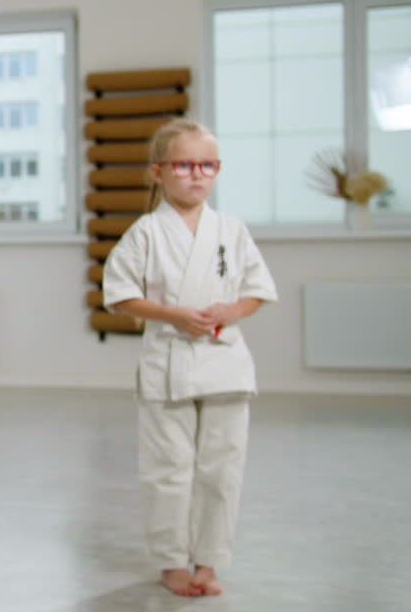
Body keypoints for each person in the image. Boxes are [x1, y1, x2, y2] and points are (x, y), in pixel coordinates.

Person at [103, 119, 278, 596]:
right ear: (158, 172)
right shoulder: (145, 232)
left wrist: (232, 310)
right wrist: (174, 315)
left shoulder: (231, 230)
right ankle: (171, 561)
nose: (196, 174)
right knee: (168, 469)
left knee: (223, 469)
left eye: (207, 165)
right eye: (183, 165)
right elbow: (119, 296)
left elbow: (257, 290)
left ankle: (209, 559)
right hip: (169, 364)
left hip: (225, 363)